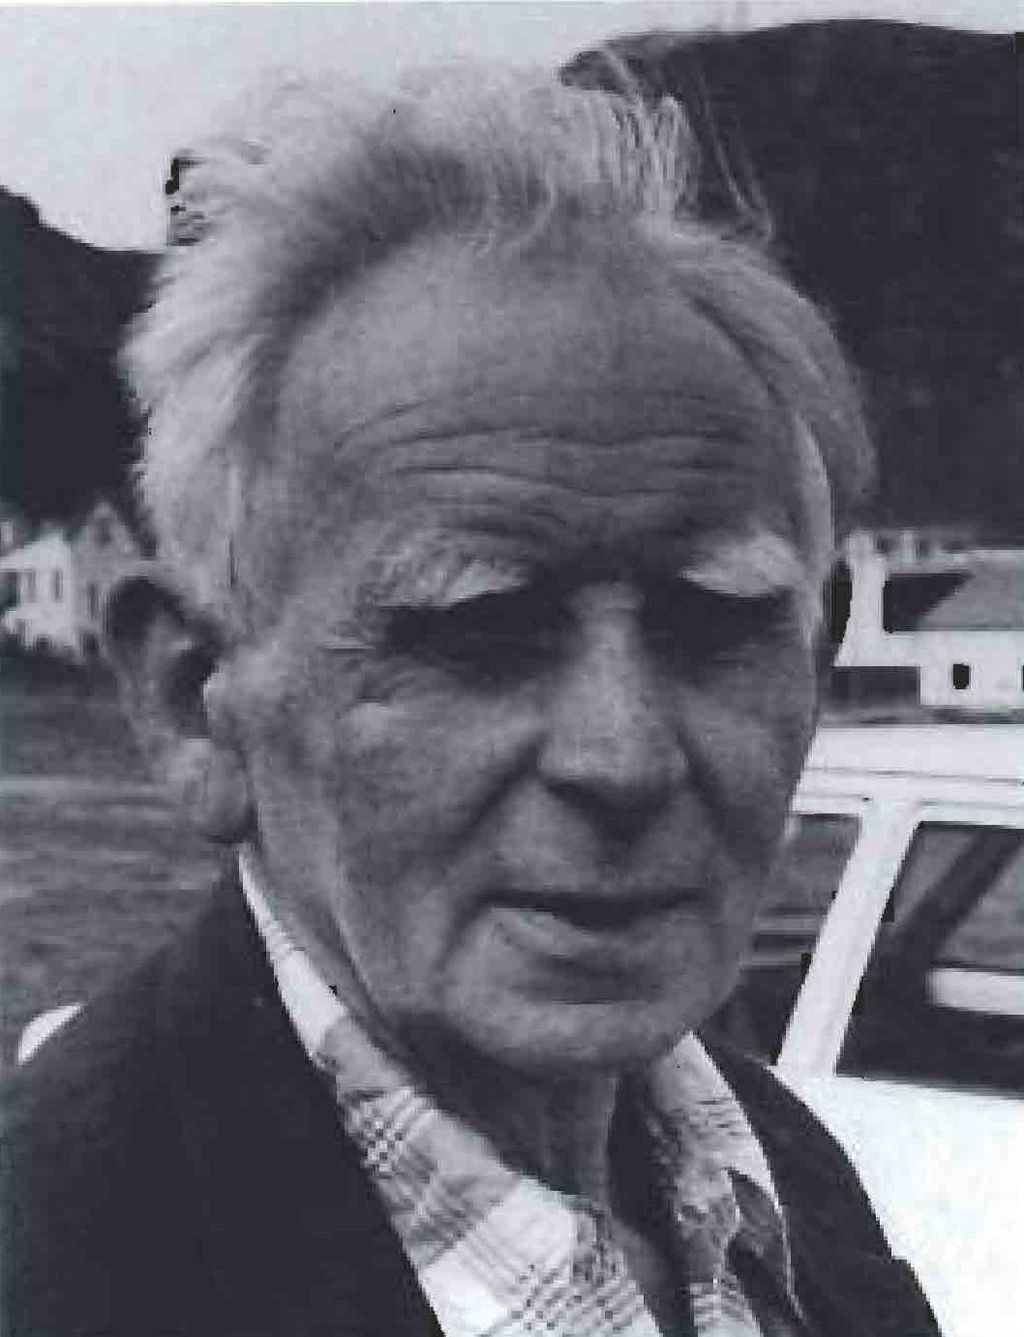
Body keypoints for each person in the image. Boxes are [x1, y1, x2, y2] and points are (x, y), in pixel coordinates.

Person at [1, 65, 941, 1337]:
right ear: (193, 698)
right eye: (478, 634)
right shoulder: (52, 1268)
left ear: (816, 657)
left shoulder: (774, 1168)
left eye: (715, 626)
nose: (623, 755)